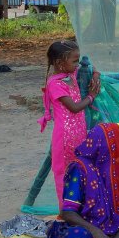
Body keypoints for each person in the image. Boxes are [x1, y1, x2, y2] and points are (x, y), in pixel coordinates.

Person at [38, 40, 101, 208]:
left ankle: (78, 210)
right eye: (74, 60)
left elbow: (91, 66)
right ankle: (66, 212)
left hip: (78, 135)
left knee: (79, 171)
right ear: (60, 63)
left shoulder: (70, 75)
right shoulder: (55, 84)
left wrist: (95, 75)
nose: (77, 64)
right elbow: (73, 108)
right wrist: (91, 96)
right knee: (65, 174)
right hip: (65, 138)